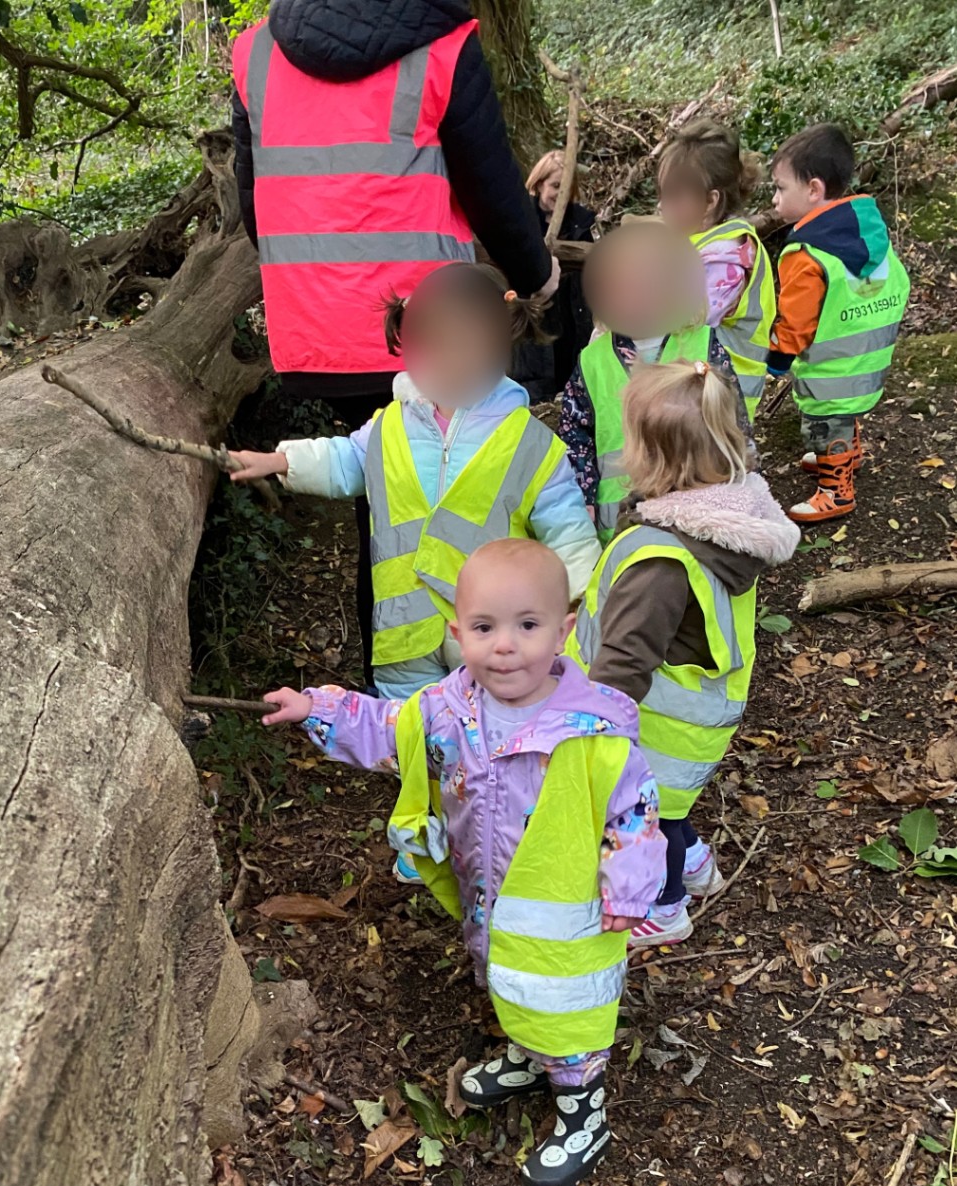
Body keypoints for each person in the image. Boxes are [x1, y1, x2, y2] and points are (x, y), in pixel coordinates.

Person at [260, 540, 666, 1186]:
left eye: (527, 626)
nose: (504, 646)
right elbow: (389, 731)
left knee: (566, 1012)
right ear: (457, 633)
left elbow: (635, 812)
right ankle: (528, 1054)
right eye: (484, 628)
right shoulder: (447, 713)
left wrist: (628, 883)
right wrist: (318, 710)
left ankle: (581, 1111)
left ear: (564, 629)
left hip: (574, 919)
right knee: (507, 985)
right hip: (490, 898)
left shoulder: (592, 730)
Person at [230, 0, 559, 685]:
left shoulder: (254, 52)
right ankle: (488, 684)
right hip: (430, 330)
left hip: (317, 332)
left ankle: (397, 695)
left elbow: (250, 199)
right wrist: (534, 274)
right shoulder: (441, 44)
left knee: (383, 511)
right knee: (474, 499)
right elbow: (491, 182)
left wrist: (318, 285)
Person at [228, 262, 600, 711]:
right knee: (411, 739)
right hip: (402, 634)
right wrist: (280, 460)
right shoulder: (388, 426)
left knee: (486, 743)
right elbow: (347, 460)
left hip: (490, 638)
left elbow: (568, 533)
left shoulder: (532, 443)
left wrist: (578, 614)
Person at [568, 359, 799, 946]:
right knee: (672, 803)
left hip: (656, 725)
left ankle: (664, 906)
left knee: (648, 816)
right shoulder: (728, 520)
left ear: (653, 459)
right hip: (699, 715)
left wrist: (589, 732)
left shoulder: (659, 562)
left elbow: (624, 665)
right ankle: (696, 863)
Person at [559, 223, 751, 543]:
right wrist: (582, 512)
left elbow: (735, 425)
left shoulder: (703, 344)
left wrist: (744, 492)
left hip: (699, 522)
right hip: (620, 528)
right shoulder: (592, 361)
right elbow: (575, 446)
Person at [767, 123, 912, 524]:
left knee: (824, 422)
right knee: (843, 417)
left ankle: (836, 490)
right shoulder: (866, 228)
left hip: (832, 369)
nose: (775, 199)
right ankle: (848, 455)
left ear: (813, 190)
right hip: (867, 358)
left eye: (780, 188)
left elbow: (795, 320)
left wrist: (776, 358)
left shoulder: (805, 253)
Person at [656, 120, 775, 424]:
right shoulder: (697, 240)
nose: (662, 207)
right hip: (700, 384)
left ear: (710, 201)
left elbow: (681, 317)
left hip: (725, 391)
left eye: (673, 197)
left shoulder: (729, 255)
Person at [513, 150, 598, 402]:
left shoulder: (582, 222)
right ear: (539, 185)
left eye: (566, 187)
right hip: (535, 317)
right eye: (555, 186)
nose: (561, 194)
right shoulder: (521, 218)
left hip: (571, 319)